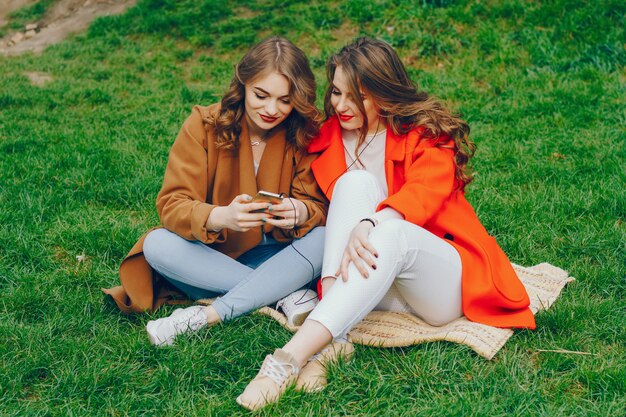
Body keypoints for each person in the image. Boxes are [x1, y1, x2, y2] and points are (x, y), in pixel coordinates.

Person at [236, 37, 536, 410]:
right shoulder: (323, 139)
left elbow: (423, 193)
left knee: (391, 230)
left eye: (357, 97)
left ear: (384, 92)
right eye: (335, 93)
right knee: (354, 181)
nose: (341, 106)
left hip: (435, 287)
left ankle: (284, 363)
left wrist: (368, 222)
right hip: (373, 286)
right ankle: (334, 341)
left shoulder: (427, 136)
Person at [102, 37, 328, 346]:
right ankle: (283, 295)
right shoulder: (204, 125)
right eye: (261, 95)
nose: (271, 109)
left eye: (285, 101)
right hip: (213, 258)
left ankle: (204, 316)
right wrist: (221, 216)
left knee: (325, 239)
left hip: (276, 255)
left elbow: (321, 207)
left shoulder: (305, 131)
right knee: (156, 245)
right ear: (243, 82)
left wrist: (300, 212)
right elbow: (172, 204)